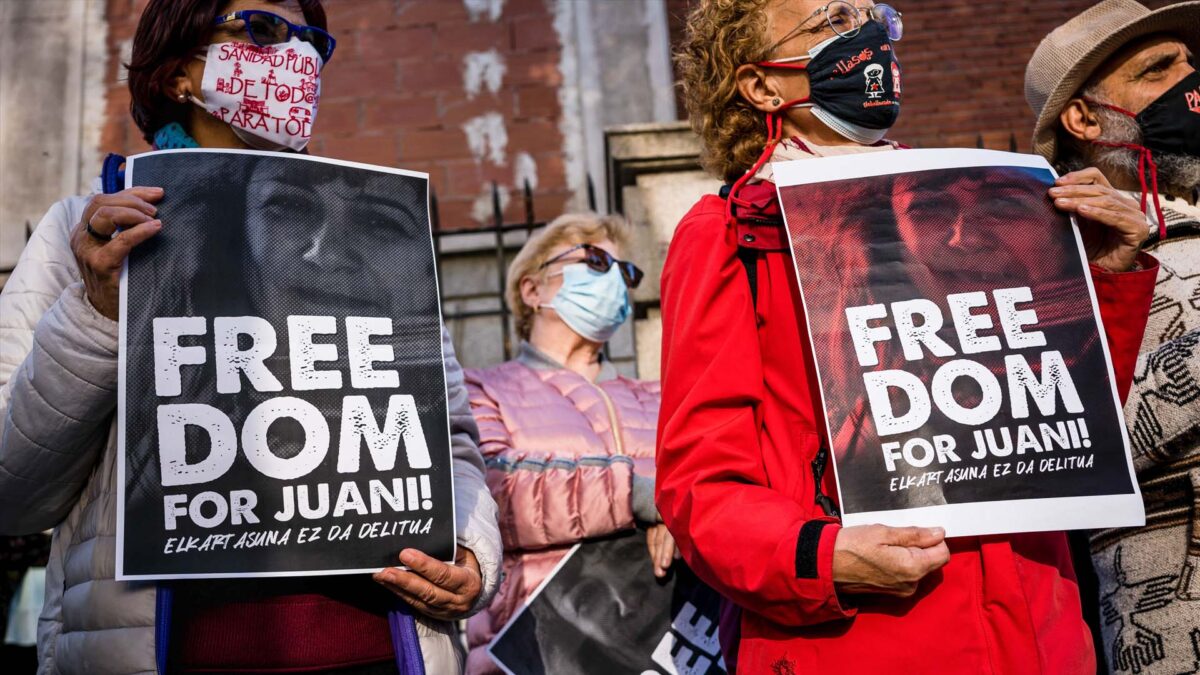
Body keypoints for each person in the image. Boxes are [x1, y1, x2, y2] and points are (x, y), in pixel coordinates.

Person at [658, 1, 1160, 672]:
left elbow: (1061, 410)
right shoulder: (731, 234)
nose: (867, 35)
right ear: (762, 86)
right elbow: (701, 485)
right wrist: (820, 559)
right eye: (834, 19)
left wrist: (1106, 271)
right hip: (867, 637)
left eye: (874, 14)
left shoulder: (973, 202)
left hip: (1037, 627)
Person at [0, 1, 500, 673]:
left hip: (377, 650)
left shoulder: (372, 228)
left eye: (312, 41)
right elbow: (14, 494)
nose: (297, 56)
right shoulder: (88, 234)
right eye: (264, 29)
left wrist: (471, 552)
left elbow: (451, 445)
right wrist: (99, 314)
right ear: (178, 73)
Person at [1025, 1, 1200, 672]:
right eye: (1158, 70)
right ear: (1085, 119)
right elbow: (1062, 448)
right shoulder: (1047, 257)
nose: (1190, 83)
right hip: (1173, 621)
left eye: (1191, 64)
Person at [461, 213, 666, 674]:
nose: (614, 280)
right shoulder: (483, 390)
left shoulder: (660, 398)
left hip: (655, 647)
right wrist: (644, 497)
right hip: (532, 652)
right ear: (532, 290)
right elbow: (496, 495)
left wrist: (678, 512)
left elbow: (708, 492)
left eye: (625, 271)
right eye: (594, 261)